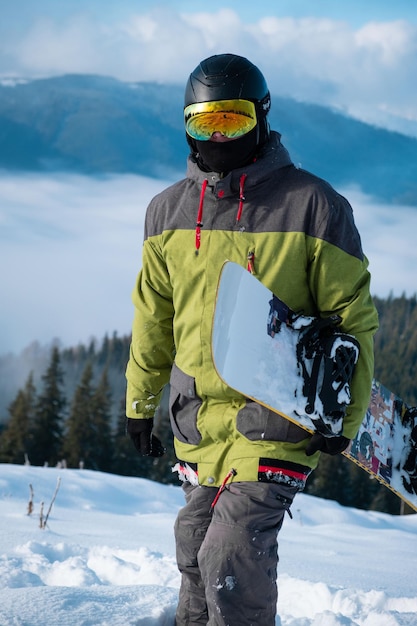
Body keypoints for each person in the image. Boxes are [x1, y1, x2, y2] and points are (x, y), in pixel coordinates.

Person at [125, 53, 379, 625]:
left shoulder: (314, 205)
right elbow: (153, 320)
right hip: (199, 420)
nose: (218, 136)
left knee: (230, 552)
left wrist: (346, 415)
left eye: (232, 121)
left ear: (261, 118)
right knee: (194, 542)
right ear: (185, 123)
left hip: (277, 414)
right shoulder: (166, 212)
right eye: (204, 122)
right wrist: (140, 404)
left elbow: (353, 316)